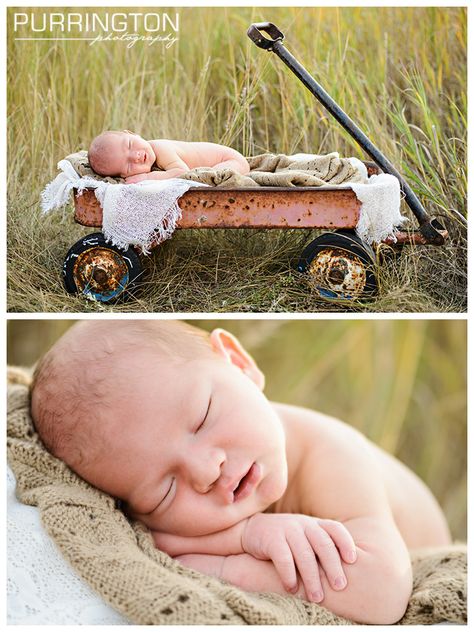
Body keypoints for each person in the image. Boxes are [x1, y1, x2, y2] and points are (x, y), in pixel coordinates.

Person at [30, 320, 451, 624]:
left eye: (202, 418)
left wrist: (227, 568)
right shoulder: (171, 513)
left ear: (239, 363)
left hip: (423, 542)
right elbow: (158, 543)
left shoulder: (331, 454)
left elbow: (382, 593)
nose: (205, 471)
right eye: (164, 491)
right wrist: (247, 536)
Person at [88, 131, 250, 183]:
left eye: (130, 145)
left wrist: (146, 176)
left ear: (131, 133)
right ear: (125, 175)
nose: (136, 156)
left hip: (230, 160)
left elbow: (181, 173)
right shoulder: (148, 157)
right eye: (129, 166)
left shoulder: (160, 148)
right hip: (226, 160)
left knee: (213, 179)